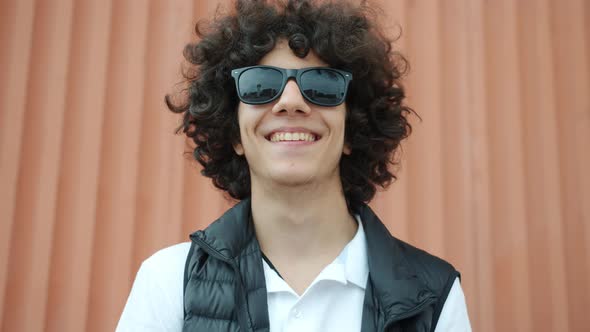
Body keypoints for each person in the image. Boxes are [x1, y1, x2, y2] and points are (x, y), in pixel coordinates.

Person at [116, 0, 472, 331]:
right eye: (259, 85)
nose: (290, 101)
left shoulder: (435, 297)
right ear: (234, 133)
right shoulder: (167, 281)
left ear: (353, 129)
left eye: (321, 85)